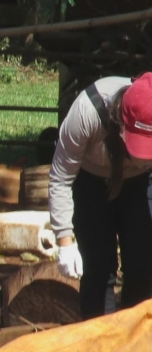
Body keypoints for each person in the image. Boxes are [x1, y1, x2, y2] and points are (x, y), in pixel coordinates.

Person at [49, 72, 152, 320]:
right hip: (90, 181)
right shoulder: (86, 113)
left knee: (143, 265)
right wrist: (64, 239)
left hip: (140, 182)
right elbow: (61, 178)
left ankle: (139, 344)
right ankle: (99, 341)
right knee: (98, 268)